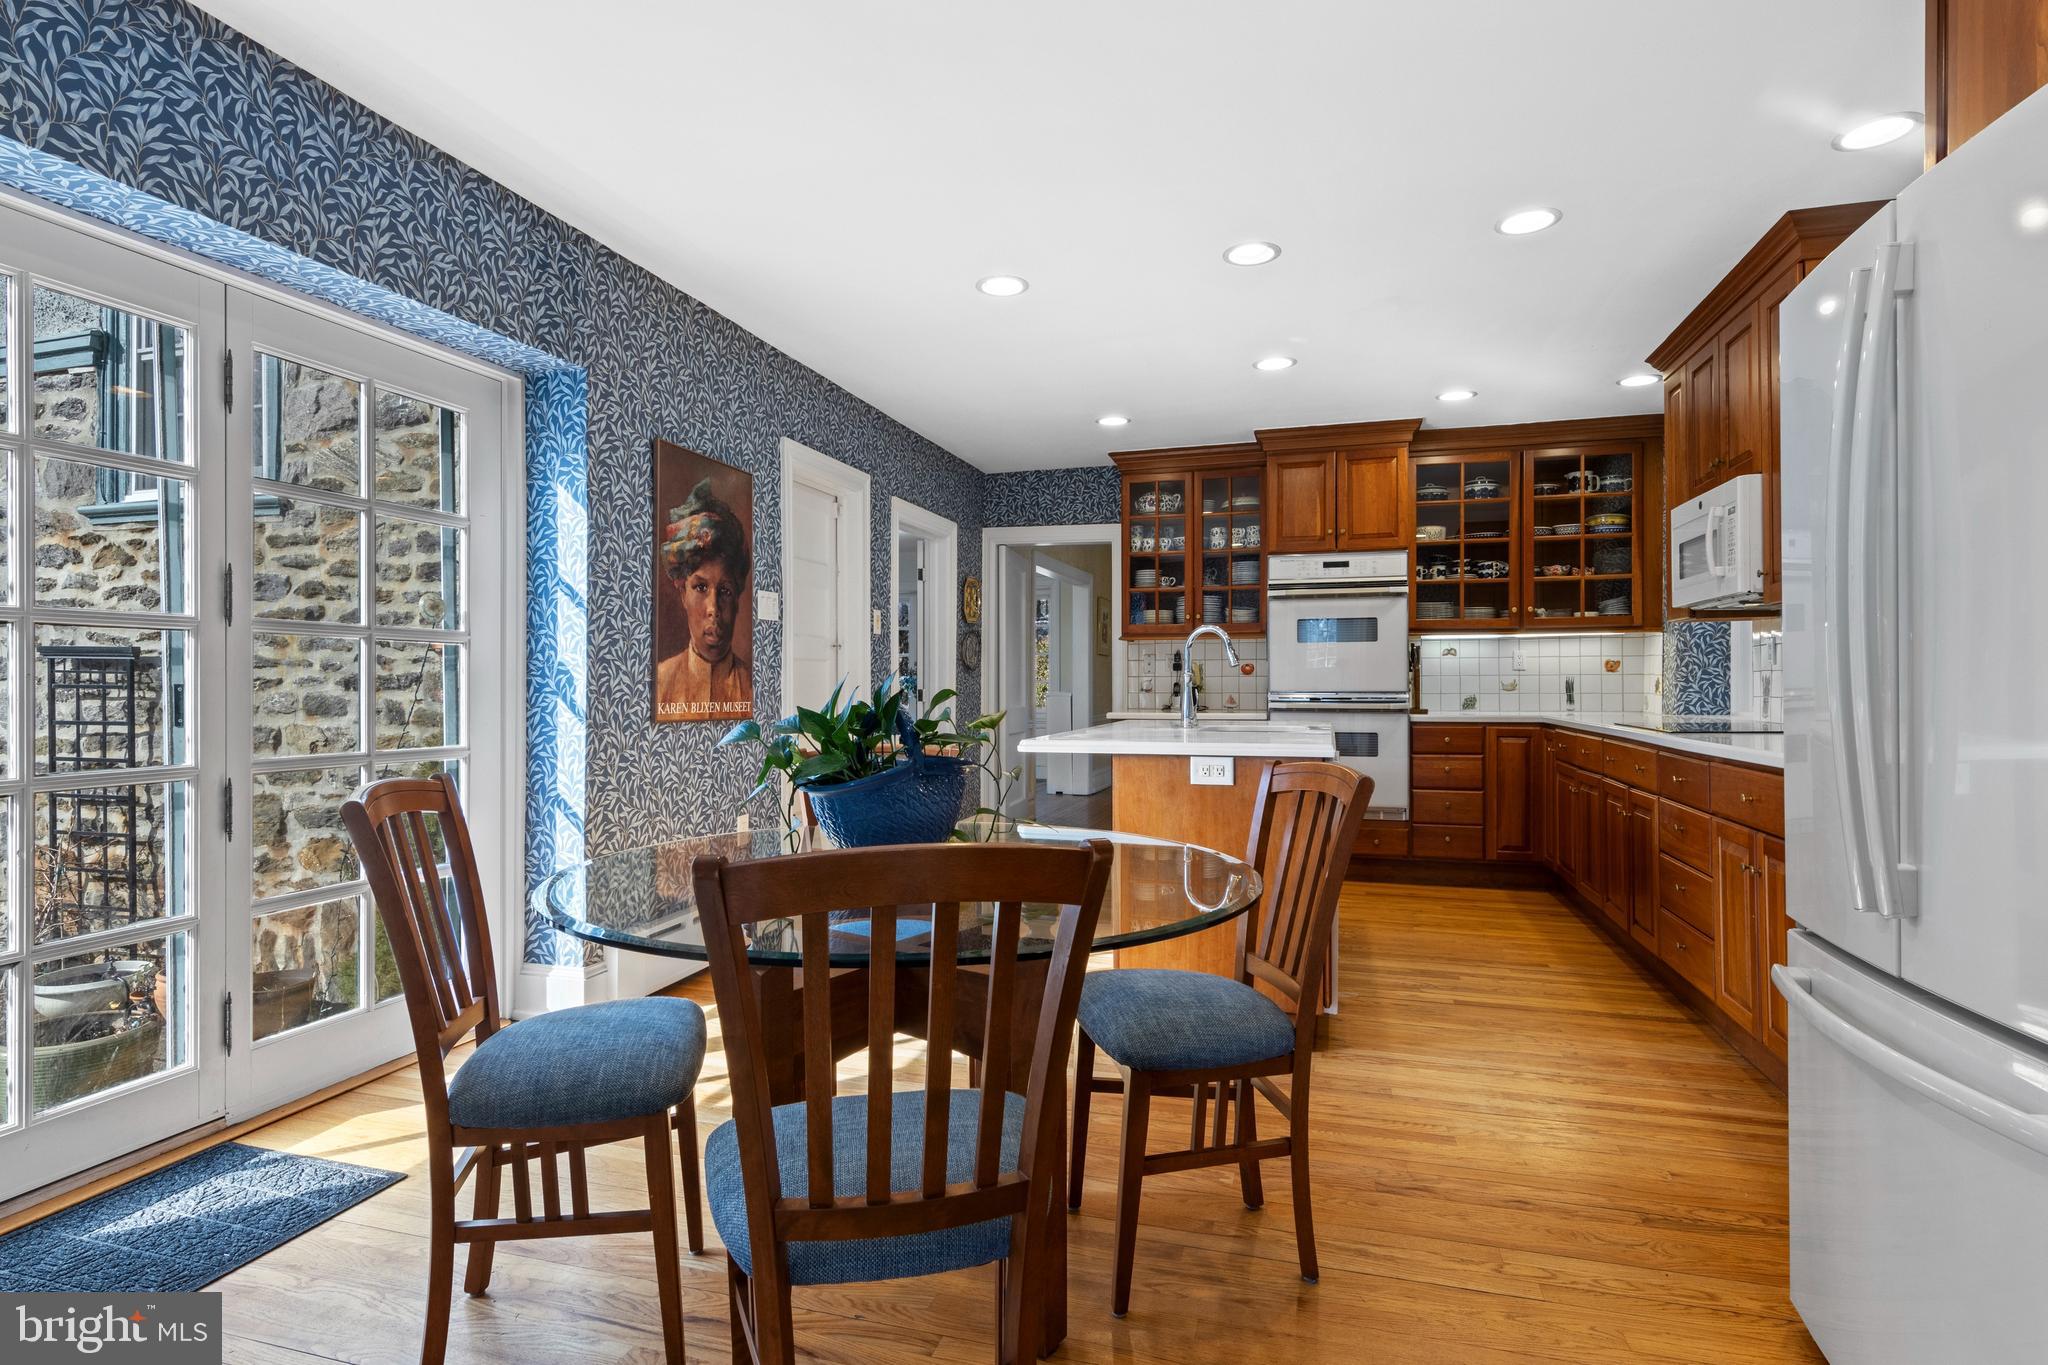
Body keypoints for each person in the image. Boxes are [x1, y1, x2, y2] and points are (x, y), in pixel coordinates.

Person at [656, 478, 753, 718]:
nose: (713, 609)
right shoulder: (661, 681)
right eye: (700, 588)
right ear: (683, 594)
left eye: (725, 591)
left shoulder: (751, 685)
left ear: (738, 599)